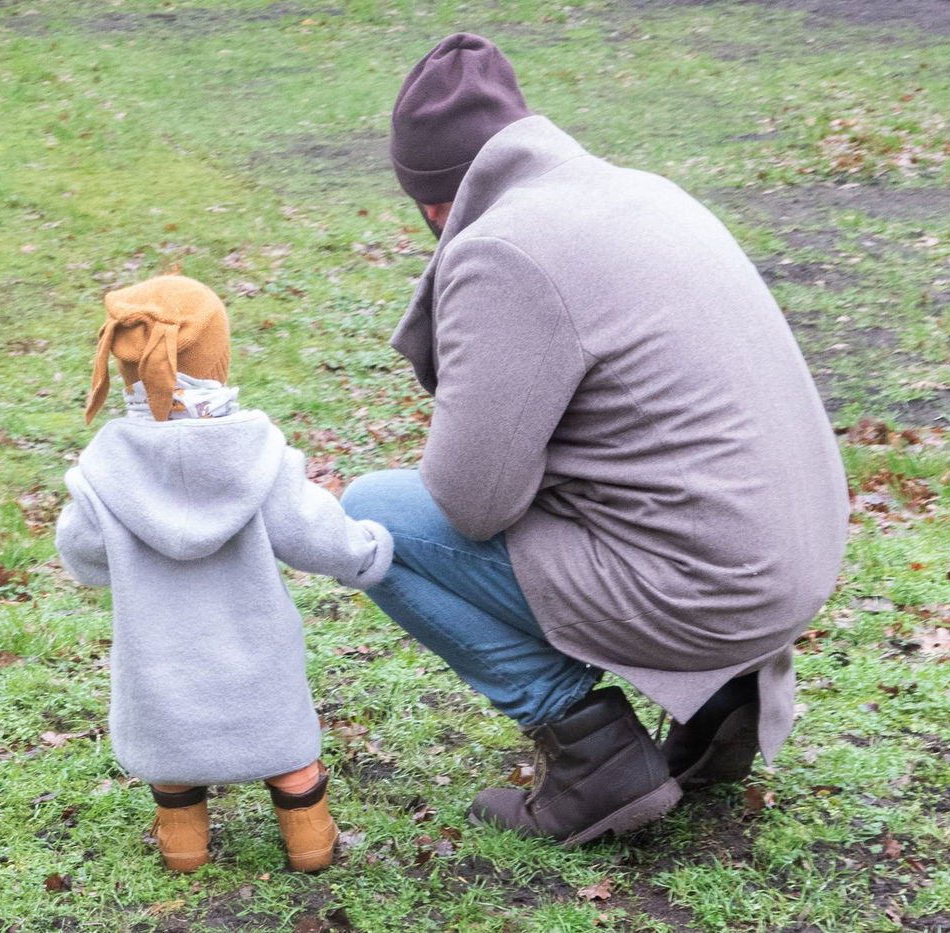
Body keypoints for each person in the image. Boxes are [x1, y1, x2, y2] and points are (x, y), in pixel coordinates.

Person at [341, 34, 850, 845]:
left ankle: (593, 755)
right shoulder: (642, 191)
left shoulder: (505, 247)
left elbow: (472, 503)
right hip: (790, 566)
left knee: (375, 516)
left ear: (434, 203)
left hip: (712, 588)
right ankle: (723, 700)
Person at [55, 275, 394, 872]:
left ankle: (184, 846)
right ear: (217, 357)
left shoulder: (105, 471)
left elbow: (83, 557)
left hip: (159, 660)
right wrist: (366, 551)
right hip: (257, 656)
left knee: (172, 759)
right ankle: (310, 842)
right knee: (289, 758)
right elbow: (312, 533)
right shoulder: (257, 453)